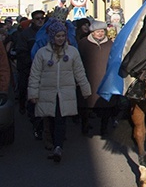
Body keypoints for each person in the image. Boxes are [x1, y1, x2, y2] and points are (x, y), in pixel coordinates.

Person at [28, 21, 91, 162]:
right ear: (52, 36)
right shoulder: (42, 53)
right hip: (47, 93)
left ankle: (58, 147)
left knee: (60, 120)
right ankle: (52, 141)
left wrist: (85, 89)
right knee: (49, 119)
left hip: (65, 93)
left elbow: (79, 72)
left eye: (63, 35)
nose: (61, 38)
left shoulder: (72, 52)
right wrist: (33, 93)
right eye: (58, 36)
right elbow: (35, 74)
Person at [77, 20, 116, 137]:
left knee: (106, 107)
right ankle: (86, 127)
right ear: (92, 32)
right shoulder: (83, 44)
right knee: (86, 107)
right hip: (88, 79)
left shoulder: (110, 44)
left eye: (102, 31)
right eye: (98, 31)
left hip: (104, 79)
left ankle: (104, 129)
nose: (100, 33)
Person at [15, 10, 46, 138]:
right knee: (31, 96)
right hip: (29, 70)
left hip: (46, 71)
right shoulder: (26, 34)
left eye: (42, 18)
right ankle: (35, 123)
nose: (40, 20)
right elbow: (21, 52)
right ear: (32, 20)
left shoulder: (47, 32)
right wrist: (32, 62)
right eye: (37, 18)